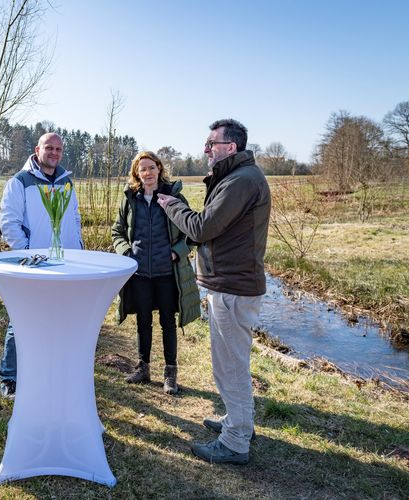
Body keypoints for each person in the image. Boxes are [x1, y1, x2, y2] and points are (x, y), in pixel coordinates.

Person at [156, 119, 271, 464]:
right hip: (230, 283)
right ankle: (239, 422)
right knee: (231, 362)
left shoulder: (241, 181)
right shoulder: (237, 178)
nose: (206, 149)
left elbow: (203, 227)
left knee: (230, 365)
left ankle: (236, 441)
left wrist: (171, 205)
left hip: (233, 287)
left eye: (211, 143)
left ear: (230, 147)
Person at [0, 132, 83, 398]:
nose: (54, 153)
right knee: (22, 319)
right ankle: (10, 377)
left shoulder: (66, 181)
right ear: (37, 149)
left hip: (65, 264)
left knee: (59, 318)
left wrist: (78, 252)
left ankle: (48, 370)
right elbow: (9, 223)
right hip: (33, 265)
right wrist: (27, 253)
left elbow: (75, 219)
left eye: (58, 148)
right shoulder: (20, 182)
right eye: (49, 148)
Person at [111, 151, 201, 395]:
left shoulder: (174, 197)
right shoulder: (130, 199)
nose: (147, 173)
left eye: (152, 168)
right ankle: (143, 368)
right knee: (142, 321)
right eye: (143, 169)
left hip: (166, 273)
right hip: (139, 273)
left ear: (159, 169)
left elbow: (192, 233)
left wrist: (176, 253)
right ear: (136, 174)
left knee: (167, 322)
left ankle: (170, 373)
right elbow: (117, 231)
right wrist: (126, 252)